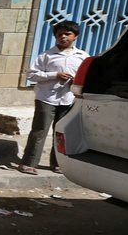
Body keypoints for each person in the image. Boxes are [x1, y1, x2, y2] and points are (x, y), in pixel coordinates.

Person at [16, 20, 89, 175]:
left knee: (62, 132)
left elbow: (87, 77)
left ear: (75, 36)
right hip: (46, 98)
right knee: (40, 130)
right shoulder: (47, 56)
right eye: (59, 34)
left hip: (69, 99)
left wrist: (75, 81)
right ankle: (28, 163)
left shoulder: (82, 56)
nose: (63, 37)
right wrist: (54, 75)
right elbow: (32, 74)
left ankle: (57, 164)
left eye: (67, 34)